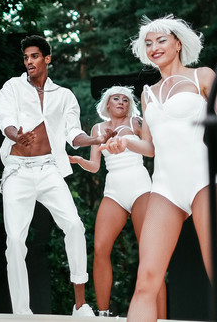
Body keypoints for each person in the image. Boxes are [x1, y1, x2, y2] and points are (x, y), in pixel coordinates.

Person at [105, 16, 217, 322]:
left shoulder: (201, 76)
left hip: (204, 181)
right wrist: (125, 142)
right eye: (148, 43)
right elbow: (150, 147)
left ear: (178, 43)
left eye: (161, 40)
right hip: (165, 188)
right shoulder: (147, 93)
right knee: (146, 283)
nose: (154, 47)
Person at [0, 35, 108, 317]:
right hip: (18, 171)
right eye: (26, 57)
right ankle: (22, 311)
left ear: (47, 59)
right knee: (15, 241)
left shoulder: (64, 95)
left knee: (75, 226)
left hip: (49, 169)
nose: (29, 61)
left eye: (34, 56)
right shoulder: (12, 87)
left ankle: (80, 305)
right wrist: (16, 136)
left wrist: (95, 140)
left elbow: (74, 135)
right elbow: (5, 119)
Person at [68, 86, 166, 318]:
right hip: (114, 191)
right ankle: (103, 314)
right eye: (116, 98)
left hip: (141, 188)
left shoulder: (136, 123)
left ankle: (161, 318)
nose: (121, 102)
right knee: (100, 248)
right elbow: (95, 166)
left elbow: (151, 151)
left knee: (150, 252)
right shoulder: (97, 129)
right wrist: (79, 160)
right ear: (107, 104)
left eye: (125, 99)